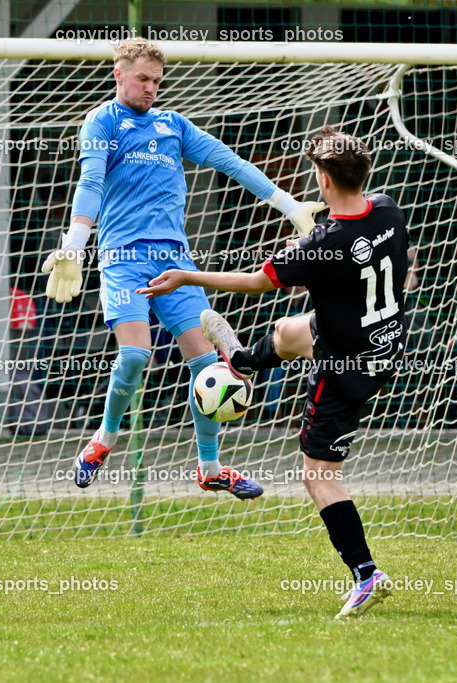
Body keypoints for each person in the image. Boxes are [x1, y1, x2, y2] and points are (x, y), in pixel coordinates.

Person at [138, 126, 408, 619]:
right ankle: (240, 363)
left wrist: (187, 275)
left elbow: (258, 281)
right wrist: (312, 240)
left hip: (344, 366)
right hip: (382, 337)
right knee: (287, 331)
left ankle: (367, 574)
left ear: (323, 180)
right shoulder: (388, 209)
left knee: (318, 474)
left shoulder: (321, 245)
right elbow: (347, 239)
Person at [42, 39, 324, 492]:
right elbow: (91, 181)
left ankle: (211, 471)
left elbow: (228, 162)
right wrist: (75, 245)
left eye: (157, 81)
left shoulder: (172, 125)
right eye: (143, 79)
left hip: (175, 262)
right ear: (119, 75)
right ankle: (103, 439)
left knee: (209, 364)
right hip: (123, 257)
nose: (151, 88)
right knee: (135, 354)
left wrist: (289, 206)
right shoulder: (102, 121)